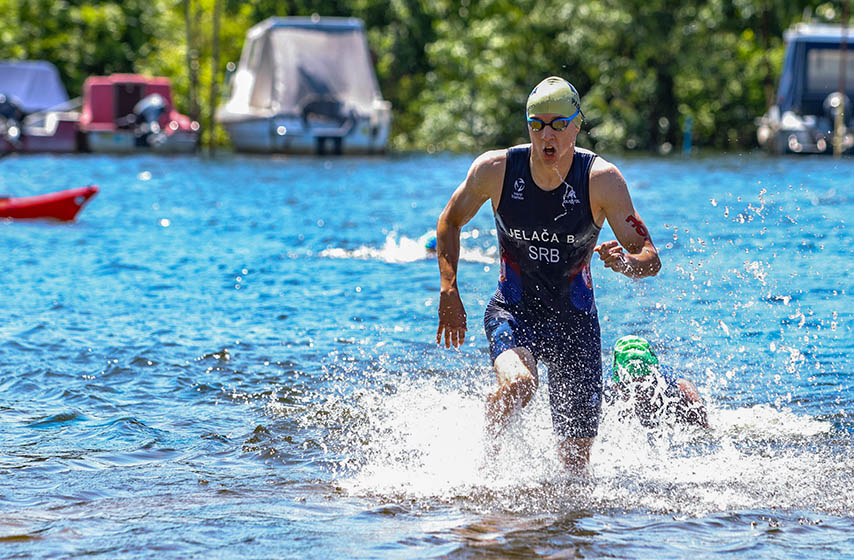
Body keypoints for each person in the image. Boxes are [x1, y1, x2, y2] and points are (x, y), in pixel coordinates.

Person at [435, 76, 661, 475]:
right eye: (537, 124)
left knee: (575, 468)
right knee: (520, 385)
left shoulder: (601, 180)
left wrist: (625, 264)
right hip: (513, 310)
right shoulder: (496, 170)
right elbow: (450, 221)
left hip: (575, 323)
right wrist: (449, 291)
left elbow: (649, 256)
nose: (547, 135)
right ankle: (481, 470)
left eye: (558, 123)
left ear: (577, 125)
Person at [609, 335, 709, 428]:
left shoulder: (667, 383)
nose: (638, 394)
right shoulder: (606, 391)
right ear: (616, 385)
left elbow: (687, 389)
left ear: (653, 377)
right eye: (629, 387)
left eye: (643, 384)